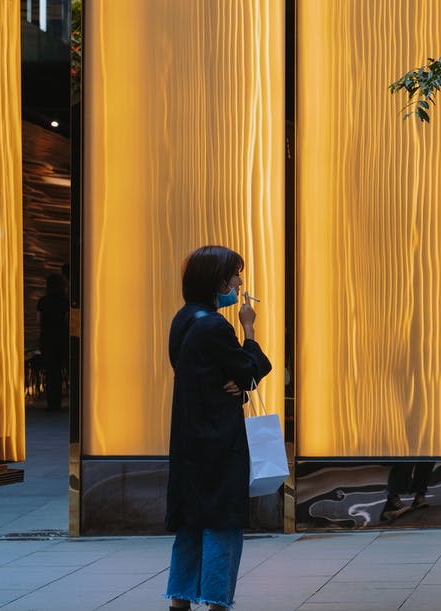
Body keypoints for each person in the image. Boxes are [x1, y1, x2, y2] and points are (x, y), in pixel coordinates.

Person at [164, 245, 272, 611]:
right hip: (218, 443)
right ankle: (216, 602)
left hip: (189, 439)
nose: (239, 282)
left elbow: (211, 376)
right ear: (217, 280)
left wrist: (234, 383)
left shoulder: (184, 319)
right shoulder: (214, 325)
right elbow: (249, 368)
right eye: (234, 274)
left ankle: (179, 601)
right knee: (223, 525)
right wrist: (249, 328)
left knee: (191, 525)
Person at [36, 273, 69, 411]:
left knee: (51, 371)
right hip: (61, 338)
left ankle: (52, 402)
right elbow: (68, 320)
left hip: (47, 339)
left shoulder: (42, 302)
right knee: (61, 369)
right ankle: (59, 401)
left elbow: (38, 320)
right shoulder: (65, 301)